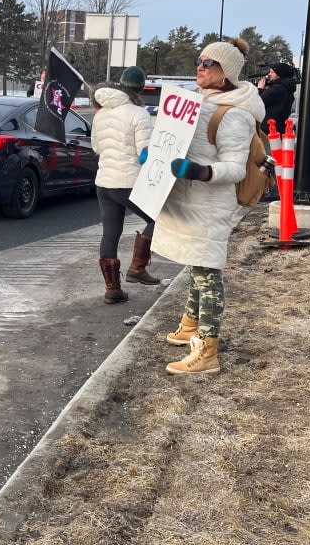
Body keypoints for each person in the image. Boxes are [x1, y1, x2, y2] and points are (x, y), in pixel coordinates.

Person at [152, 37, 265, 376]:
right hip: (190, 201)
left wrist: (201, 171)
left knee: (207, 273)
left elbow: (235, 167)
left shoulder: (235, 116)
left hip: (211, 204)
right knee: (195, 264)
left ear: (226, 73)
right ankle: (189, 325)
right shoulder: (197, 103)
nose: (199, 66)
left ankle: (207, 351)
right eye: (199, 60)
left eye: (208, 63)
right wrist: (156, 155)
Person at [90, 67, 159, 305]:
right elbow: (145, 153)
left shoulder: (101, 114)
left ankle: (112, 289)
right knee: (158, 218)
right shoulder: (139, 114)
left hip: (104, 182)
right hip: (128, 182)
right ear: (140, 88)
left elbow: (97, 148)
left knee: (110, 234)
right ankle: (137, 268)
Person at [255, 62, 298, 135]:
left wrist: (260, 89)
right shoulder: (287, 88)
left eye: (272, 72)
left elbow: (257, 102)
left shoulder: (277, 89)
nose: (269, 74)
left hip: (268, 130)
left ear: (279, 74)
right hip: (279, 128)